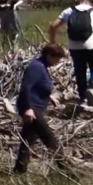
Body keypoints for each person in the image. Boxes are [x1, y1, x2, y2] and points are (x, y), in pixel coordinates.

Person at [48, 0, 93, 106]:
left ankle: (82, 99)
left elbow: (53, 26)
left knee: (80, 71)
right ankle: (92, 89)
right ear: (89, 4)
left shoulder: (68, 11)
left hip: (74, 47)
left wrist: (52, 43)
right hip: (92, 46)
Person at [14, 44, 68, 174]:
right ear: (49, 55)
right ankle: (67, 170)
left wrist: (49, 96)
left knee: (27, 140)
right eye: (57, 59)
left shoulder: (41, 67)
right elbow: (26, 87)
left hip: (35, 107)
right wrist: (28, 108)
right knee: (50, 139)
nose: (58, 62)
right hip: (32, 108)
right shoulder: (36, 67)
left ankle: (19, 170)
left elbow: (38, 86)